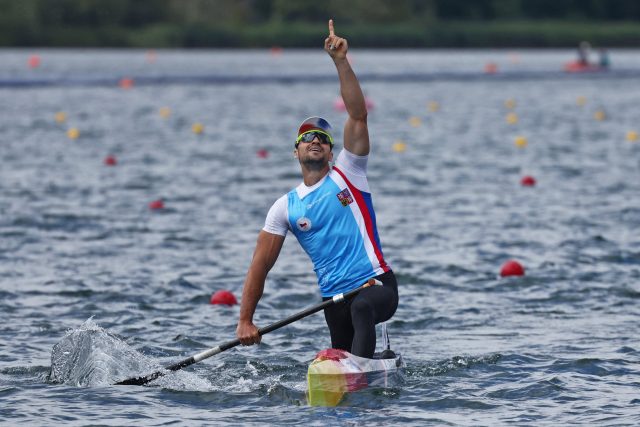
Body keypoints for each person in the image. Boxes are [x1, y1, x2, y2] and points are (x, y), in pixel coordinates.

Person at [235, 19, 398, 359]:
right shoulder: (285, 208)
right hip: (333, 301)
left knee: (363, 309)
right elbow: (259, 267)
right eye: (306, 138)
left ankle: (359, 371)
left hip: (375, 285)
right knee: (341, 345)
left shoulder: (349, 173)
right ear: (295, 152)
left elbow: (357, 115)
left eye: (322, 139)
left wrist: (340, 61)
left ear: (330, 151)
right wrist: (246, 321)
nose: (314, 141)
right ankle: (358, 369)